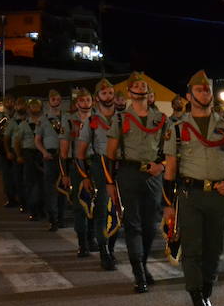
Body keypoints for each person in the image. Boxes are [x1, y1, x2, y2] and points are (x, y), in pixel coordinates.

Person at [163, 71, 224, 306]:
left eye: (207, 90)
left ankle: (206, 292)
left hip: (217, 196)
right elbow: (170, 170)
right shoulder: (176, 128)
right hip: (190, 195)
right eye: (199, 90)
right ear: (189, 96)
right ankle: (198, 302)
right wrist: (168, 205)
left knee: (214, 249)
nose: (204, 94)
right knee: (193, 249)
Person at [104, 72, 168, 293]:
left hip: (153, 174)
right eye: (137, 86)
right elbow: (109, 154)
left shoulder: (160, 119)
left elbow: (170, 151)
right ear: (130, 92)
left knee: (151, 226)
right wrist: (109, 183)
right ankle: (138, 272)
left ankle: (143, 263)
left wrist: (161, 166)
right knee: (133, 224)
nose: (141, 88)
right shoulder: (120, 119)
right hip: (129, 173)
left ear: (149, 94)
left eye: (144, 86)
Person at [76, 78, 119, 270]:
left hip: (121, 167)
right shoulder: (91, 122)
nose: (108, 97)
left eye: (110, 93)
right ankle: (104, 252)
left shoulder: (124, 118)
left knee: (118, 211)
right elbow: (80, 152)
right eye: (104, 93)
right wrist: (85, 176)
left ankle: (111, 247)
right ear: (97, 98)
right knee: (102, 210)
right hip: (100, 167)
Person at [60, 88, 94, 256]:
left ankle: (92, 238)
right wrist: (64, 174)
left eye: (88, 100)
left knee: (96, 205)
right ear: (77, 103)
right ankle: (82, 243)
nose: (85, 103)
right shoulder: (68, 121)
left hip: (96, 165)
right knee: (80, 206)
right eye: (82, 100)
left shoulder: (99, 119)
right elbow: (64, 151)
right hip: (78, 166)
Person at [34, 90, 66, 231]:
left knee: (64, 188)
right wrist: (44, 152)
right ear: (49, 101)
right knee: (51, 188)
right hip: (50, 155)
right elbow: (37, 140)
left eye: (58, 98)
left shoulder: (67, 117)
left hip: (64, 156)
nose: (56, 101)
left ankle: (62, 217)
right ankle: (52, 219)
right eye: (53, 99)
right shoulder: (43, 119)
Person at [3, 98, 28, 212]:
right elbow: (6, 138)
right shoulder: (13, 121)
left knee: (29, 178)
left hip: (29, 151)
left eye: (23, 105)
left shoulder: (31, 119)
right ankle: (22, 201)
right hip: (16, 151)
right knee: (18, 178)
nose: (21, 107)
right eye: (19, 105)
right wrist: (8, 151)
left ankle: (30, 202)